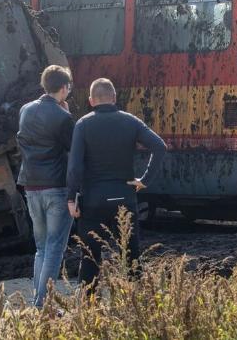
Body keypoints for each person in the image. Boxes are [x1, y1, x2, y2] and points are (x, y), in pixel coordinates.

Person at [67, 78, 166, 291]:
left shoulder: (83, 124)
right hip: (124, 197)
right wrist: (144, 180)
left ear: (92, 101)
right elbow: (159, 146)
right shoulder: (130, 121)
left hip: (93, 199)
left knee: (90, 256)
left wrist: (71, 198)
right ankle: (134, 303)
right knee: (130, 254)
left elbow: (75, 167)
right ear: (114, 98)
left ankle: (89, 307)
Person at [16, 65, 75, 307]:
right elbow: (73, 149)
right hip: (55, 186)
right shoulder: (63, 117)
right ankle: (42, 303)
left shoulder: (25, 110)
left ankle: (38, 299)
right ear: (64, 88)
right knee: (54, 247)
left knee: (41, 247)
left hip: (30, 185)